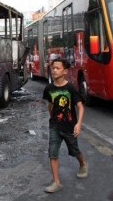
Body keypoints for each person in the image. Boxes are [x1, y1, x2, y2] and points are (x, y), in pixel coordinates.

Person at [42, 58, 88, 193]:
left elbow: (80, 107)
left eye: (57, 68)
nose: (54, 70)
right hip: (55, 126)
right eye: (53, 68)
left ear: (65, 71)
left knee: (74, 150)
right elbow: (50, 105)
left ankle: (83, 164)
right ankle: (56, 182)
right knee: (53, 152)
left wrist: (78, 124)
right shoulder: (48, 88)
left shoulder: (70, 88)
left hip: (69, 126)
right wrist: (53, 119)